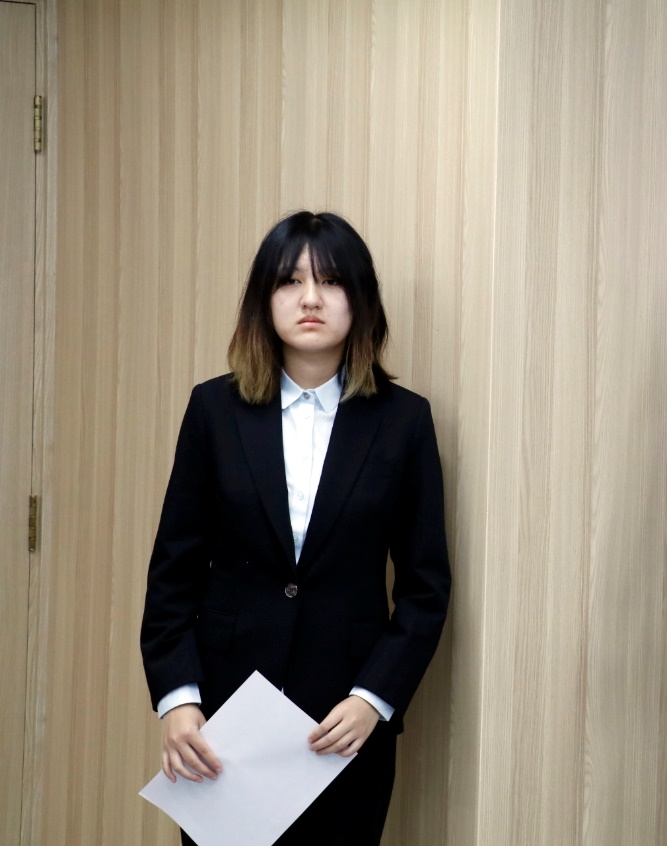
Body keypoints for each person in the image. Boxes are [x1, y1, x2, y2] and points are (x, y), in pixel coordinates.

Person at [140, 211, 451, 845]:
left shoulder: (404, 422)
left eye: (330, 282)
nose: (310, 298)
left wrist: (374, 699)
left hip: (342, 724)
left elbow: (425, 587)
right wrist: (178, 700)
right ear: (264, 299)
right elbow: (173, 571)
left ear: (360, 301)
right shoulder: (214, 410)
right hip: (223, 724)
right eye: (290, 281)